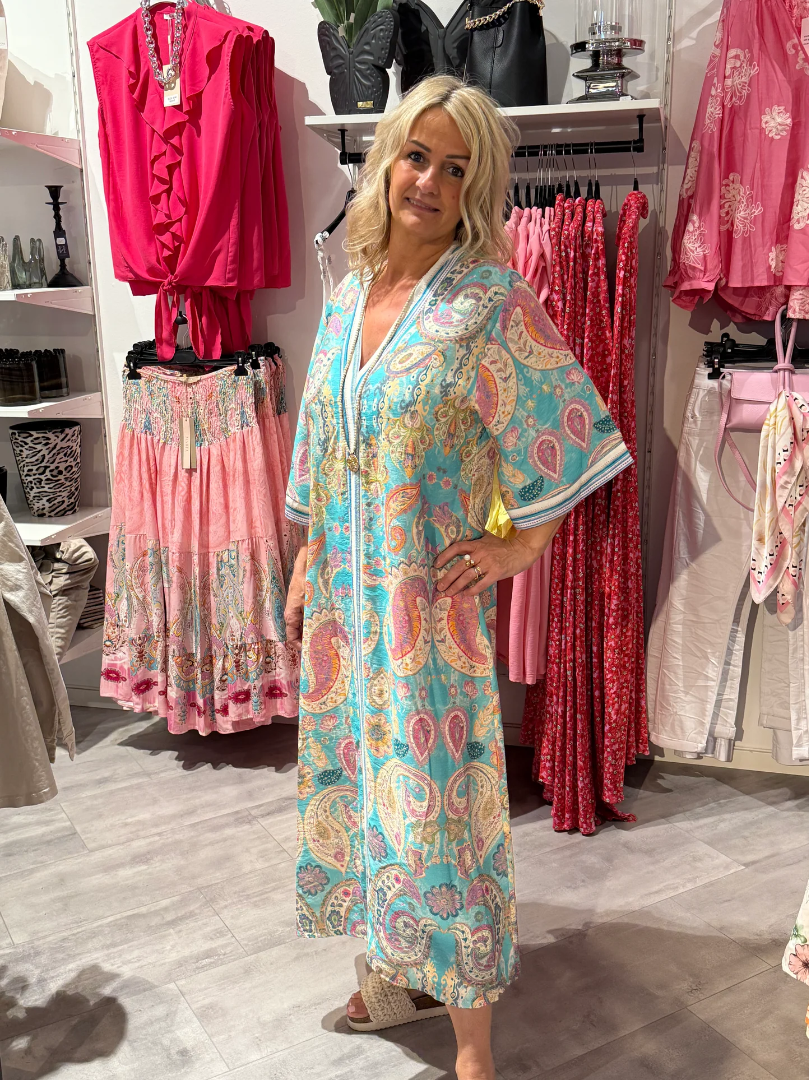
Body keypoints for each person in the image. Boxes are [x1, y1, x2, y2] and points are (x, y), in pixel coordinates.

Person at [284, 75, 631, 1080]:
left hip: (426, 618)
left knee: (442, 811)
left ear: (476, 189)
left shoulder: (489, 302)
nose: (428, 182)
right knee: (365, 793)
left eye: (455, 168)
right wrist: (305, 554)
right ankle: (395, 972)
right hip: (344, 612)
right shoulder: (347, 296)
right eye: (415, 156)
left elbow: (570, 427)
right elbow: (322, 437)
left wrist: (523, 544)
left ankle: (472, 1041)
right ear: (385, 160)